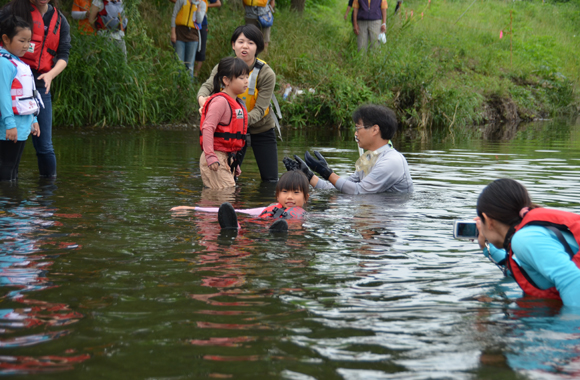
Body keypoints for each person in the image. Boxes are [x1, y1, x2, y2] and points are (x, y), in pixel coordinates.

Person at [474, 178, 580, 308]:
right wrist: (486, 247)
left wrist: (567, 327)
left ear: (487, 220)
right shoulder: (526, 237)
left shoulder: (525, 239)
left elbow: (573, 281)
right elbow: (525, 270)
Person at [198, 25, 279, 182]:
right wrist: (204, 102)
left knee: (270, 180)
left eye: (251, 43)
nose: (245, 46)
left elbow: (261, 109)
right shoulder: (224, 68)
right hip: (231, 133)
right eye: (240, 41)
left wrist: (236, 122)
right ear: (233, 45)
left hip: (261, 129)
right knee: (229, 178)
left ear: (258, 47)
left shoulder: (266, 73)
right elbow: (206, 88)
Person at [0, 0, 71, 179]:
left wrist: (50, 75)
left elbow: (64, 54)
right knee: (8, 152)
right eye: (22, 40)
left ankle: (47, 196)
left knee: (45, 145)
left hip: (39, 82)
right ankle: (8, 197)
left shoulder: (60, 20)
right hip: (9, 77)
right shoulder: (11, 10)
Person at [284, 105, 413, 195]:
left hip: (387, 222)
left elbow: (358, 191)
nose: (355, 134)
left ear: (375, 130)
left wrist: (327, 172)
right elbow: (340, 187)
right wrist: (309, 176)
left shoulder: (392, 161)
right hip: (372, 213)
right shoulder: (369, 158)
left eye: (358, 128)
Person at [171, 170, 309, 231]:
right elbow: (238, 211)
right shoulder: (268, 209)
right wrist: (192, 208)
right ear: (277, 196)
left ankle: (277, 232)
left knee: (277, 229)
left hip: (282, 231)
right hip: (260, 228)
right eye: (285, 192)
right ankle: (234, 227)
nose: (290, 197)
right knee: (247, 223)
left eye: (296, 192)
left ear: (305, 198)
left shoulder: (305, 216)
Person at [0, 16, 41, 181]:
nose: (26, 46)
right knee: (6, 168)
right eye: (22, 40)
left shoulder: (18, 62)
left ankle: (12, 203)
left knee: (13, 169)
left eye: (29, 41)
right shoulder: (4, 63)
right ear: (5, 39)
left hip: (22, 125)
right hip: (9, 128)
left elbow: (27, 95)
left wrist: (33, 119)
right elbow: (3, 96)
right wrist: (10, 124)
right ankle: (7, 204)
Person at [199, 56, 249, 189]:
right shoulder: (220, 102)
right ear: (226, 80)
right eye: (241, 78)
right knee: (225, 193)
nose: (246, 81)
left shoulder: (237, 103)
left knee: (227, 194)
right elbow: (208, 128)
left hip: (227, 158)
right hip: (214, 156)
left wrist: (234, 163)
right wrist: (210, 156)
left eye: (247, 77)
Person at [170, 0, 206, 78]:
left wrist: (198, 7)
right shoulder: (181, 1)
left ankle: (188, 88)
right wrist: (173, 32)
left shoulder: (203, 4)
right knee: (179, 63)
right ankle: (178, 87)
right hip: (179, 34)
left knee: (189, 66)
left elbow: (199, 20)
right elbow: (174, 15)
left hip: (193, 36)